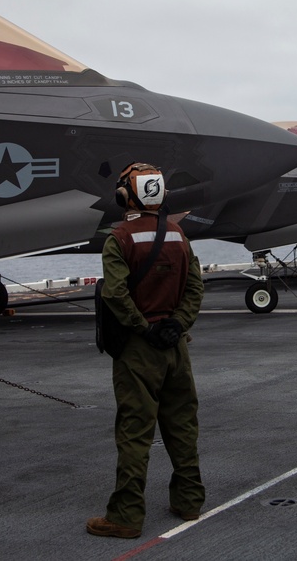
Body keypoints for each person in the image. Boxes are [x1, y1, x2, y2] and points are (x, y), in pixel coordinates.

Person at [88, 163, 205, 539]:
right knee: (182, 427)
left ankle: (125, 516)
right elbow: (195, 289)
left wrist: (144, 328)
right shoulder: (178, 235)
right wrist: (176, 326)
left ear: (125, 196)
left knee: (135, 433)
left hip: (140, 353)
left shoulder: (118, 238)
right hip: (176, 349)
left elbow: (115, 294)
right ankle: (189, 502)